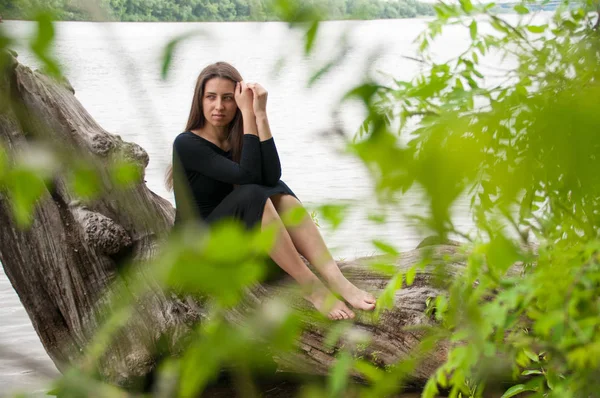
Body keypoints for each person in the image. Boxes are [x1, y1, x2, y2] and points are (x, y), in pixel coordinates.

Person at [166, 62, 376, 320]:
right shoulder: (187, 143)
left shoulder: (236, 139)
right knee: (253, 194)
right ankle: (312, 289)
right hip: (198, 252)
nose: (219, 106)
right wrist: (247, 115)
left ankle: (337, 280)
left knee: (276, 188)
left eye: (228, 98)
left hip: (234, 242)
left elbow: (270, 177)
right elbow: (249, 178)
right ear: (200, 100)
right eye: (211, 97)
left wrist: (259, 114)